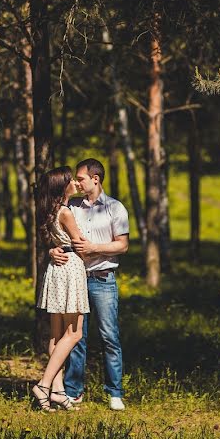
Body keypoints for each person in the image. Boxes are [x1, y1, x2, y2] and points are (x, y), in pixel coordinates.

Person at [50, 158, 129, 411]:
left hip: (103, 279)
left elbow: (122, 245)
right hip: (76, 279)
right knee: (76, 338)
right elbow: (59, 235)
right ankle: (73, 391)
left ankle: (114, 392)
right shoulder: (71, 206)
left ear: (95, 178)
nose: (77, 182)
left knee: (109, 336)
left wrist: (94, 247)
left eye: (81, 178)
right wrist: (53, 251)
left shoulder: (115, 208)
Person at [31, 166, 89, 412]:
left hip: (57, 270)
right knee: (74, 334)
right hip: (70, 269)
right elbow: (80, 243)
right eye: (71, 181)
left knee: (57, 335)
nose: (75, 183)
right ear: (62, 186)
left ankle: (58, 391)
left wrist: (53, 250)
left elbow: (58, 241)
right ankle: (44, 385)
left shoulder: (51, 211)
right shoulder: (65, 212)